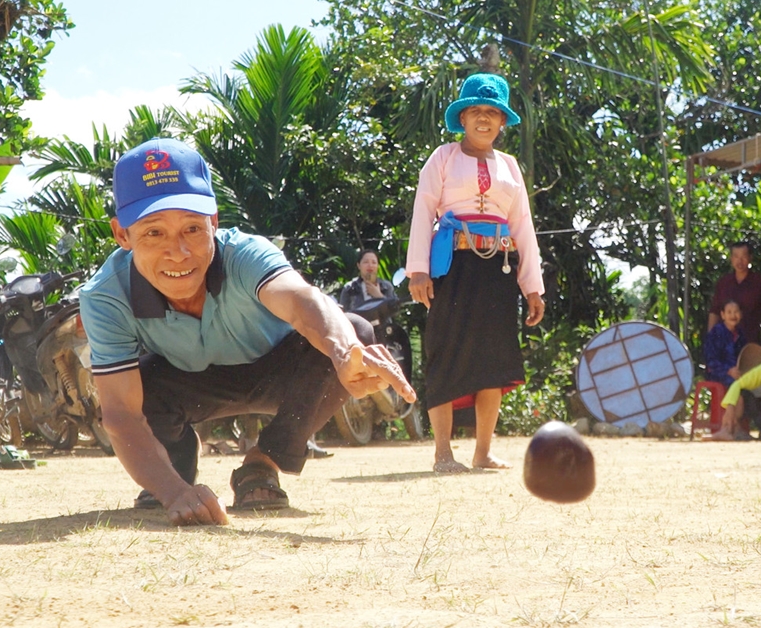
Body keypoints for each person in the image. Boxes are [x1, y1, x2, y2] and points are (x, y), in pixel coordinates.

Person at [81, 139, 414, 526]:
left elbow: (302, 301)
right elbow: (121, 414)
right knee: (134, 387)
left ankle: (261, 463)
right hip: (187, 382)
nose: (178, 252)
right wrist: (172, 491)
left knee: (352, 331)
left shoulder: (245, 253)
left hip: (278, 369)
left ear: (214, 222)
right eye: (153, 233)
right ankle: (174, 467)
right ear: (122, 235)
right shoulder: (106, 295)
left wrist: (343, 352)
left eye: (192, 228)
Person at [407, 73, 545, 474]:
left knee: (494, 358)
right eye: (475, 111)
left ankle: (482, 452)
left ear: (503, 122)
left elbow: (523, 225)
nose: (484, 119)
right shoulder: (442, 158)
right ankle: (443, 454)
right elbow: (422, 211)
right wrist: (418, 271)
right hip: (452, 266)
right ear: (462, 118)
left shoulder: (511, 167)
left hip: (499, 269)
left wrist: (532, 287)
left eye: (492, 112)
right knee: (445, 351)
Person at [338, 248, 412, 383]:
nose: (370, 265)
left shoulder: (386, 286)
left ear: (378, 265)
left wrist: (379, 296)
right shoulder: (350, 288)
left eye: (373, 262)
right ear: (359, 266)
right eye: (366, 262)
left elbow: (395, 307)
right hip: (359, 335)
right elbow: (343, 315)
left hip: (384, 333)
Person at [709, 241, 761, 345]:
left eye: (743, 256)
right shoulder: (723, 283)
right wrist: (711, 339)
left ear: (750, 258)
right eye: (736, 256)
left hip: (750, 342)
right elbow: (715, 312)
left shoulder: (760, 282)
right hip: (723, 342)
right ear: (731, 259)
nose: (740, 261)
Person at [703, 299, 748, 386]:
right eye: (729, 312)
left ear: (741, 314)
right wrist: (728, 370)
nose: (733, 315)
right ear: (723, 315)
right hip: (719, 375)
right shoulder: (716, 333)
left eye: (736, 312)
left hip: (737, 373)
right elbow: (711, 361)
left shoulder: (740, 334)